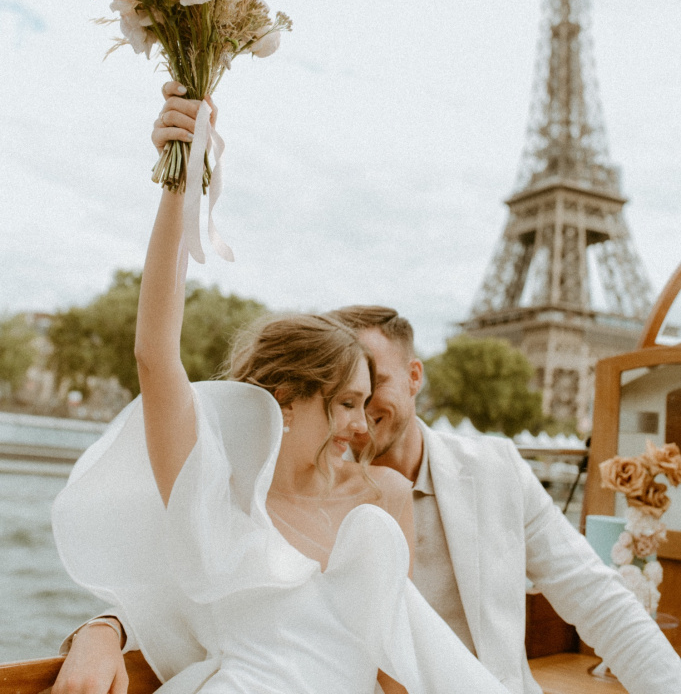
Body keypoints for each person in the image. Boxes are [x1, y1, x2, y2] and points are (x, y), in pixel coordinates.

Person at [51, 82, 507, 694]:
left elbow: (397, 654)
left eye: (366, 403)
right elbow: (155, 355)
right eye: (345, 403)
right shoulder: (219, 493)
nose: (361, 422)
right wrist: (181, 177)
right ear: (285, 401)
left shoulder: (387, 496)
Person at [325, 305, 681, 694]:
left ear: (414, 377)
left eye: (374, 382)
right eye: (337, 390)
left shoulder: (499, 470)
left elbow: (597, 598)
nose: (356, 410)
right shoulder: (311, 494)